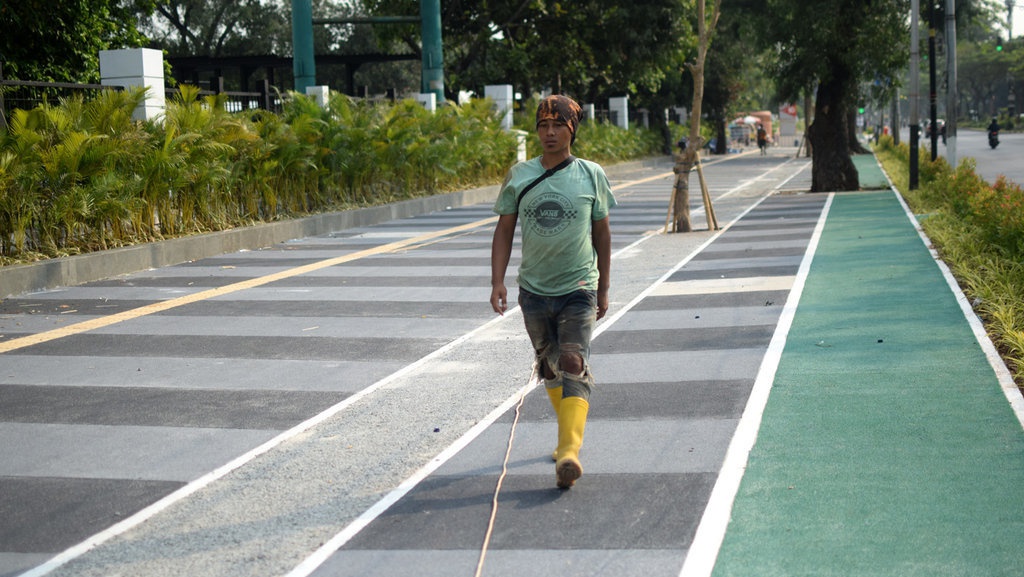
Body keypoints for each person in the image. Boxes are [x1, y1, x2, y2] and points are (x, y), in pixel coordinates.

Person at [490, 95, 616, 489]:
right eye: (543, 125)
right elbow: (504, 229)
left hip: (579, 286)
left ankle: (568, 452)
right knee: (548, 366)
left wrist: (605, 286)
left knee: (574, 361)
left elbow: (603, 233)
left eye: (557, 125)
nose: (549, 133)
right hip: (534, 290)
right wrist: (497, 280)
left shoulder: (591, 174)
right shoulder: (519, 174)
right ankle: (566, 434)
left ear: (571, 130)